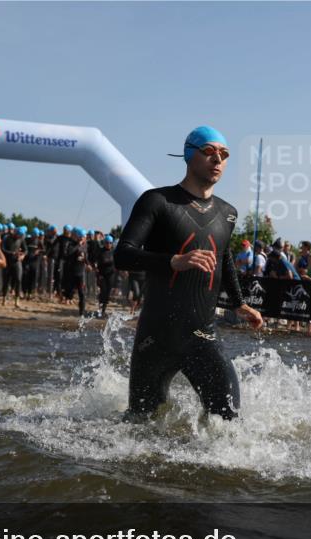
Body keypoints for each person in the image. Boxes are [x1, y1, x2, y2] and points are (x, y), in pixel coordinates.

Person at [113, 125, 263, 421]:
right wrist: (173, 261)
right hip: (155, 337)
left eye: (224, 154)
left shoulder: (228, 213)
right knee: (138, 427)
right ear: (188, 155)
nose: (217, 159)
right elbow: (123, 255)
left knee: (229, 422)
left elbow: (224, 257)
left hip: (202, 336)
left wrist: (238, 302)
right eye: (208, 151)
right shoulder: (157, 201)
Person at [94, 234, 117, 317]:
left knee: (107, 293)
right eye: (107, 243)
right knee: (103, 292)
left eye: (110, 243)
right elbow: (96, 262)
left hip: (111, 275)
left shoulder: (114, 252)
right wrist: (97, 272)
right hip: (102, 275)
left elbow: (117, 262)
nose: (109, 244)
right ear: (104, 243)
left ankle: (103, 311)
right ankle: (99, 309)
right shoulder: (100, 251)